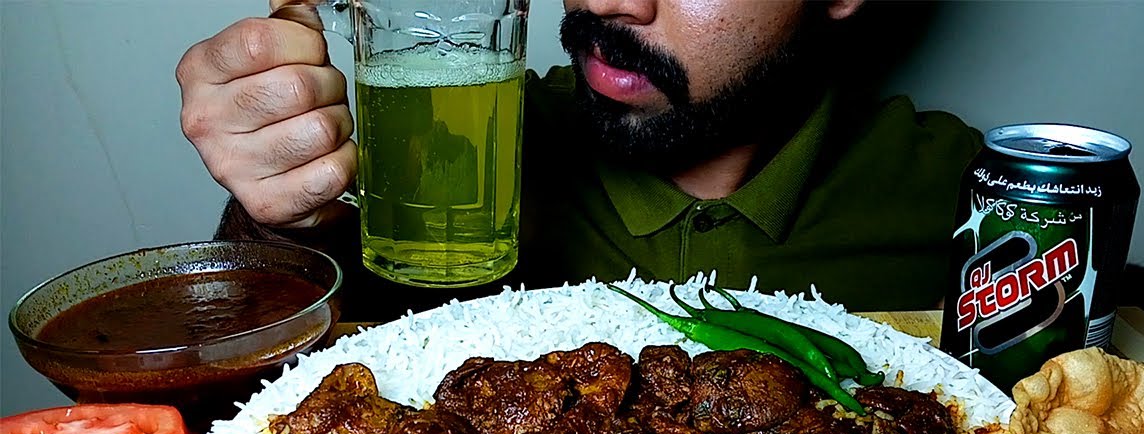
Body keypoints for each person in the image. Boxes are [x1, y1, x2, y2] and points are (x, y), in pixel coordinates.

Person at [178, 0, 981, 321]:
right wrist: (279, 210)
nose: (605, 0)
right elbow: (239, 367)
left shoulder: (977, 205)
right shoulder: (444, 150)